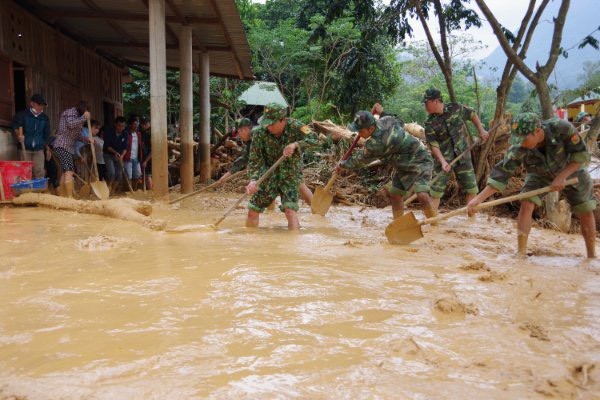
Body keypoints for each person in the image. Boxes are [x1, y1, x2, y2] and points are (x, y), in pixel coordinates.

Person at [467, 112, 596, 259]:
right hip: (539, 174)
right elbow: (501, 174)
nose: (520, 142)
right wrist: (478, 199)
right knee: (526, 204)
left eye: (524, 138)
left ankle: (591, 257)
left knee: (585, 209)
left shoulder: (562, 128)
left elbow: (581, 155)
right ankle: (521, 253)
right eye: (518, 139)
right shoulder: (518, 147)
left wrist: (562, 177)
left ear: (538, 131)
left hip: (573, 171)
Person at [339, 111, 437, 220]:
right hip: (402, 164)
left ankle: (434, 223)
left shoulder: (375, 144)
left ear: (371, 129)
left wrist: (342, 165)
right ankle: (399, 223)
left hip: (420, 158)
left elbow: (360, 161)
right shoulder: (385, 120)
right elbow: (398, 121)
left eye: (360, 131)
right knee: (395, 194)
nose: (359, 134)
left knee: (422, 194)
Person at [245, 103, 318, 230]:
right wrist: (253, 180)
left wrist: (296, 144)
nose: (268, 127)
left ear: (283, 120)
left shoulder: (297, 126)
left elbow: (315, 139)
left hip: (289, 175)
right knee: (252, 211)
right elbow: (254, 160)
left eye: (272, 123)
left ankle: (292, 246)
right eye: (266, 123)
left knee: (290, 211)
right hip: (267, 176)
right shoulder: (259, 133)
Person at [423, 88, 489, 210]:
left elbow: (472, 114)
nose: (425, 106)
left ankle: (471, 221)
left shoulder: (455, 108)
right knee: (435, 192)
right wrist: (443, 162)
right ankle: (430, 224)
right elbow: (433, 145)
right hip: (444, 160)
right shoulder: (429, 123)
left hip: (463, 156)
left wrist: (481, 130)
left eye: (426, 103)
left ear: (436, 101)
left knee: (471, 189)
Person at [53, 101, 93, 197]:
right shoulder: (70, 112)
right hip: (62, 145)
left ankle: (63, 196)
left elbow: (77, 135)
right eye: (86, 110)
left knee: (66, 171)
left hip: (68, 147)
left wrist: (87, 139)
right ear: (83, 109)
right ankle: (69, 197)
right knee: (69, 170)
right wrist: (84, 117)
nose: (86, 112)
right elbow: (71, 124)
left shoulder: (78, 118)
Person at [11, 94, 51, 179]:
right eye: (39, 104)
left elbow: (47, 134)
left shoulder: (45, 118)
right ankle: (27, 191)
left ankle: (38, 191)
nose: (41, 107)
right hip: (25, 148)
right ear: (32, 103)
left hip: (39, 150)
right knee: (25, 173)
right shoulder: (22, 115)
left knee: (39, 171)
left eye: (42, 105)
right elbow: (15, 127)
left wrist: (47, 149)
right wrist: (19, 135)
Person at [102, 116, 127, 192]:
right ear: (115, 124)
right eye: (119, 125)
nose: (121, 128)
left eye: (123, 126)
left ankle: (112, 192)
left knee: (119, 176)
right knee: (112, 173)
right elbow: (107, 146)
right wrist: (115, 152)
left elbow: (125, 148)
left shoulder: (125, 134)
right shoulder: (108, 132)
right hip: (108, 154)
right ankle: (107, 189)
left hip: (119, 156)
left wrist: (122, 156)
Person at [123, 115, 143, 189]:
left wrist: (141, 155)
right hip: (128, 157)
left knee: (137, 175)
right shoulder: (126, 133)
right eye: (134, 124)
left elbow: (140, 145)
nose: (136, 125)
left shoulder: (138, 134)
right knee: (128, 176)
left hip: (136, 157)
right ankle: (128, 190)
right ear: (130, 124)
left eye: (137, 124)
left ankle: (134, 190)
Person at [140, 117, 152, 190]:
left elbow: (153, 150)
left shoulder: (149, 133)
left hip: (149, 158)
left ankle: (151, 192)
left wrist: (146, 161)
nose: (142, 126)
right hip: (146, 157)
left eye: (143, 125)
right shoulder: (145, 133)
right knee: (146, 175)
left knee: (148, 176)